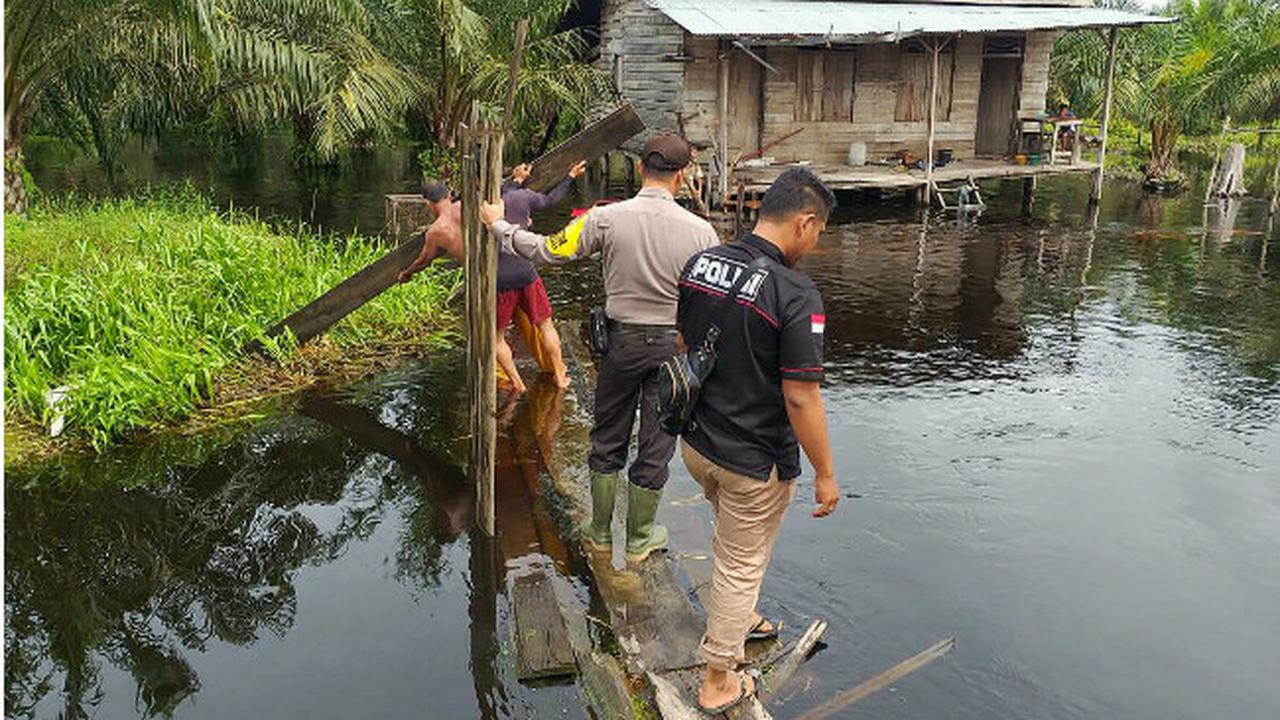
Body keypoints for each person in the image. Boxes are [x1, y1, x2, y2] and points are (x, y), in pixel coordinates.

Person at [480, 133, 718, 562]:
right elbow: (710, 303)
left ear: (642, 169)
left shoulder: (603, 219)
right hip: (671, 347)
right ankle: (643, 535)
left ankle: (601, 531)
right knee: (657, 436)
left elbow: (547, 250)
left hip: (622, 343)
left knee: (608, 434)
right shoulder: (703, 233)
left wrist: (499, 225)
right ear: (681, 177)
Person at [674, 167, 840, 713]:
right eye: (818, 234)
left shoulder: (702, 263)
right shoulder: (795, 292)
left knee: (732, 542)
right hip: (752, 458)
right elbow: (801, 398)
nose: (814, 247)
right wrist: (825, 474)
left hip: (697, 444)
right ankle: (719, 677)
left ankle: (738, 614)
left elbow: (685, 344)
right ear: (805, 221)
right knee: (743, 561)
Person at [397, 180, 528, 391]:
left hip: (484, 280)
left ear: (427, 203)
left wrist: (406, 273)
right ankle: (550, 372)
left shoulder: (436, 232)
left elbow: (423, 261)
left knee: (494, 337)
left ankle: (517, 384)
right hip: (508, 264)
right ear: (449, 195)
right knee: (522, 322)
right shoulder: (470, 207)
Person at [492, 159, 590, 391]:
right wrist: (570, 176)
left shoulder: (482, 203)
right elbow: (551, 201)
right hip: (525, 271)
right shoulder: (522, 197)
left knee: (496, 337)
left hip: (500, 276)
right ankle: (559, 376)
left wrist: (516, 181)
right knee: (546, 325)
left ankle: (518, 384)